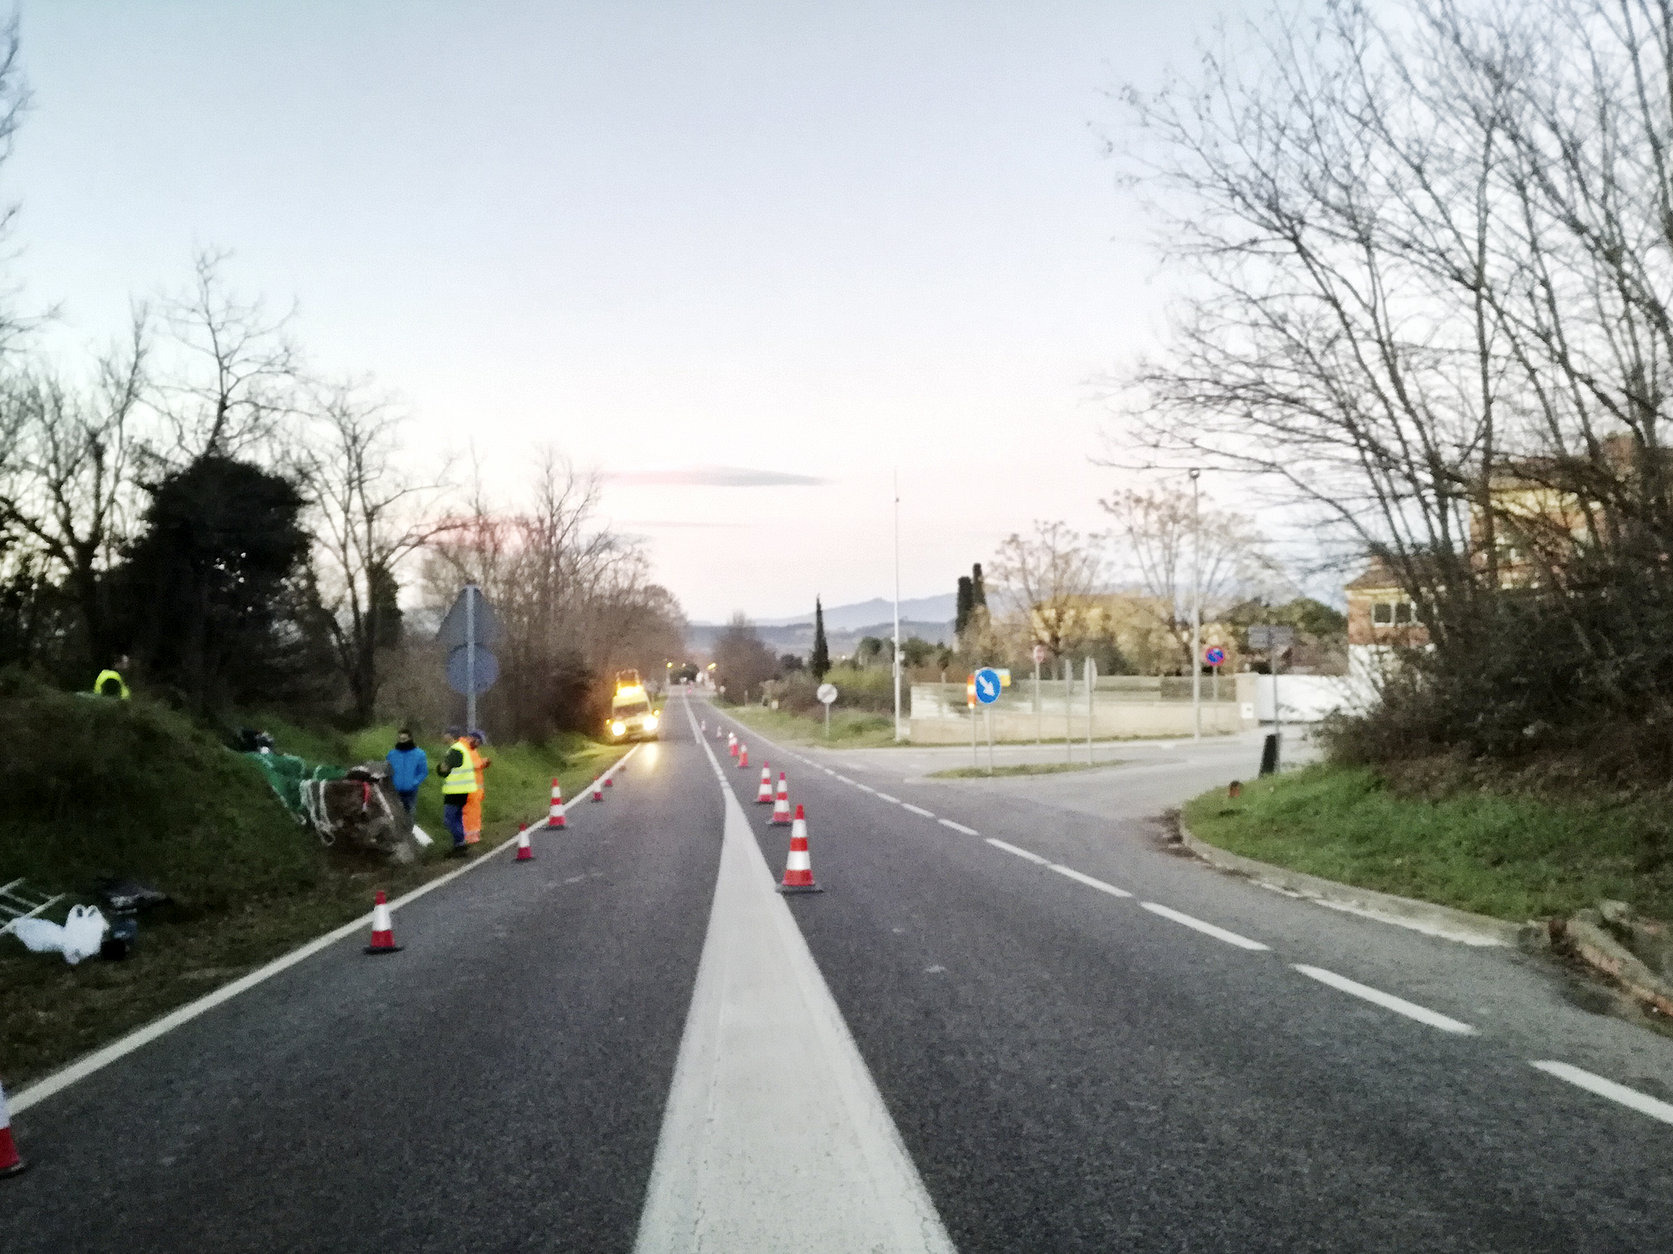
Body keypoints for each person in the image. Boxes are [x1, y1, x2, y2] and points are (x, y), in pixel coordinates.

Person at [435, 725, 477, 856]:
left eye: (445, 733)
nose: (443, 736)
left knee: (449, 819)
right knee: (457, 818)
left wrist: (439, 768)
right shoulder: (462, 748)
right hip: (463, 790)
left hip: (455, 790)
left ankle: (459, 844)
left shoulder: (455, 750)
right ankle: (460, 844)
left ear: (450, 736)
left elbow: (443, 769)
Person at [385, 728, 428, 816]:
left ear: (410, 739)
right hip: (394, 791)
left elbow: (423, 772)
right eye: (400, 739)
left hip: (410, 791)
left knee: (409, 816)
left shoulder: (419, 754)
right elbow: (387, 770)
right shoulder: (392, 754)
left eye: (404, 739)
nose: (402, 741)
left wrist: (414, 782)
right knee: (394, 816)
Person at [462, 728, 491, 844]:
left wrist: (483, 763)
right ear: (472, 738)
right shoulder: (464, 749)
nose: (479, 745)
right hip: (469, 790)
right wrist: (481, 763)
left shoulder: (472, 750)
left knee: (474, 814)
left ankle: (474, 835)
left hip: (475, 791)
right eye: (478, 742)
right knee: (469, 815)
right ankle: (469, 837)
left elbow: (474, 764)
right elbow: (466, 765)